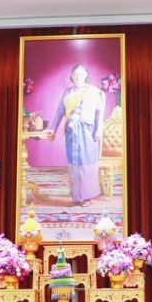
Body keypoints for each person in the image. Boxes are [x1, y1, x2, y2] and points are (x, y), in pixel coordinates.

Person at [45, 64, 106, 206]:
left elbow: (99, 113)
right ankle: (77, 196)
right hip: (72, 131)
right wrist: (52, 129)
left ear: (86, 75)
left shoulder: (94, 92)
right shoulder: (67, 93)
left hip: (87, 131)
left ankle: (87, 196)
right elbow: (60, 112)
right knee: (74, 163)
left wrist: (98, 131)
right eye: (75, 74)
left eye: (81, 74)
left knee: (87, 162)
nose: (78, 76)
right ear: (71, 76)